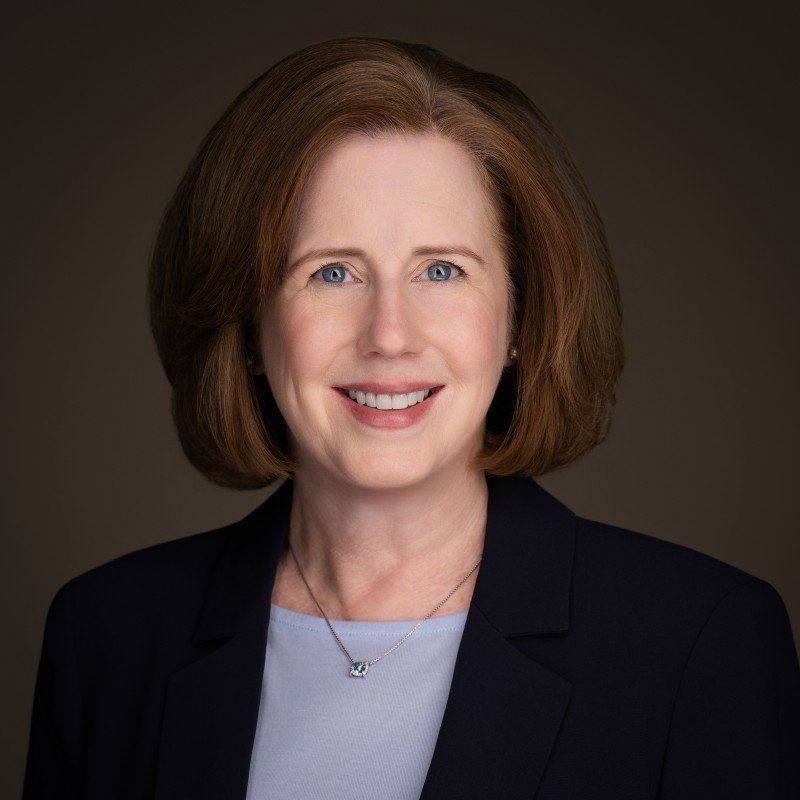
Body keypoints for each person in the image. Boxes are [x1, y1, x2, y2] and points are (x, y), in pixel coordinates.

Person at [22, 36, 800, 800]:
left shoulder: (699, 642)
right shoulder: (107, 636)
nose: (389, 335)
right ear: (248, 323)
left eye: (441, 270)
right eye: (331, 271)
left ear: (522, 320)